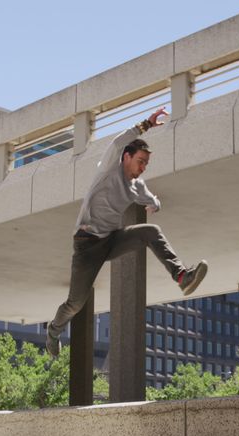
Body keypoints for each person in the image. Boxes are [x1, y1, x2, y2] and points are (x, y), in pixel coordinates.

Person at [46, 107, 207, 357]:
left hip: (111, 240)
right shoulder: (109, 169)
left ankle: (182, 277)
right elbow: (117, 141)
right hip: (87, 245)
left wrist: (155, 203)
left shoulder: (136, 186)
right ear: (126, 157)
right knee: (76, 303)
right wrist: (146, 124)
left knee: (151, 231)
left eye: (146, 164)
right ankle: (54, 331)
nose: (143, 168)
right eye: (140, 161)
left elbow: (151, 198)